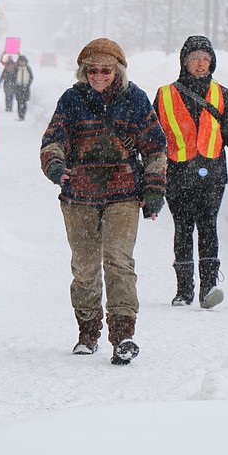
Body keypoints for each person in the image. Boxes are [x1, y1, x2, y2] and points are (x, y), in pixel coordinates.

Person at [39, 38, 167, 365]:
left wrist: (154, 188)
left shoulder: (135, 100)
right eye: (92, 70)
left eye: (105, 70)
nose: (99, 76)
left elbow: (155, 148)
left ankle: (123, 333)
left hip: (122, 192)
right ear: (84, 71)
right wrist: (55, 166)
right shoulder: (71, 100)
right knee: (84, 266)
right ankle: (88, 329)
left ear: (117, 70)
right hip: (79, 193)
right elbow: (53, 139)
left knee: (119, 261)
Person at [154, 35, 228, 309]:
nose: (200, 65)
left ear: (212, 63)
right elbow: (151, 139)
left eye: (206, 60)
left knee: (208, 226)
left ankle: (208, 288)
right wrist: (149, 176)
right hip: (177, 173)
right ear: (184, 62)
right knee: (183, 228)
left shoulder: (222, 95)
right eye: (195, 59)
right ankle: (183, 290)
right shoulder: (164, 95)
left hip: (212, 174)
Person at [13, 53, 35, 120]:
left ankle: (23, 114)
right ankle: (20, 115)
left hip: (26, 87)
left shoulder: (28, 68)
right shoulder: (16, 68)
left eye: (23, 61)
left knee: (24, 102)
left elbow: (31, 77)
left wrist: (28, 84)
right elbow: (13, 77)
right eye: (21, 61)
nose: (22, 63)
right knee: (19, 102)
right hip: (18, 87)